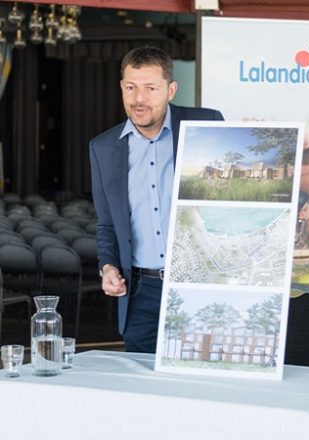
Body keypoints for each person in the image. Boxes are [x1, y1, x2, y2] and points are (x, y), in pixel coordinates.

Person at [90, 46, 224, 353]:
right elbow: (107, 224)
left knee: (203, 384)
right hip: (140, 294)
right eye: (131, 88)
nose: (139, 99)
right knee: (143, 394)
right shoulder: (103, 148)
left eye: (151, 88)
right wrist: (108, 266)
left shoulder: (206, 126)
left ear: (171, 90)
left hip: (198, 285)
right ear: (121, 88)